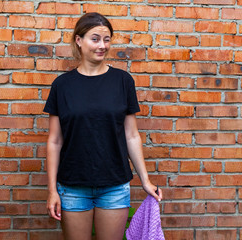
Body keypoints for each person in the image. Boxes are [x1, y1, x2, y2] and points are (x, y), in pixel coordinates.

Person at [44, 12, 163, 240]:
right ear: (79, 41)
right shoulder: (62, 85)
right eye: (95, 39)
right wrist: (52, 190)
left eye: (107, 39)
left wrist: (145, 181)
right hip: (72, 186)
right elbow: (54, 141)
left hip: (114, 185)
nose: (102, 45)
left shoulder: (123, 81)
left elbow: (131, 135)